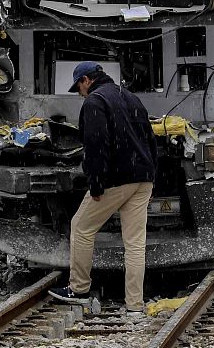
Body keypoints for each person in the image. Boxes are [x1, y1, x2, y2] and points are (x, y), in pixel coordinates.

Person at [49, 61, 157, 313]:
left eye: (78, 87)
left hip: (117, 179)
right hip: (143, 178)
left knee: (82, 226)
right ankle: (134, 304)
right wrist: (153, 180)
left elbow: (96, 145)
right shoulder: (130, 97)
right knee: (134, 242)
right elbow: (151, 140)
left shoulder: (95, 102)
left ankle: (79, 289)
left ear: (86, 80)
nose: (79, 93)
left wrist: (96, 183)